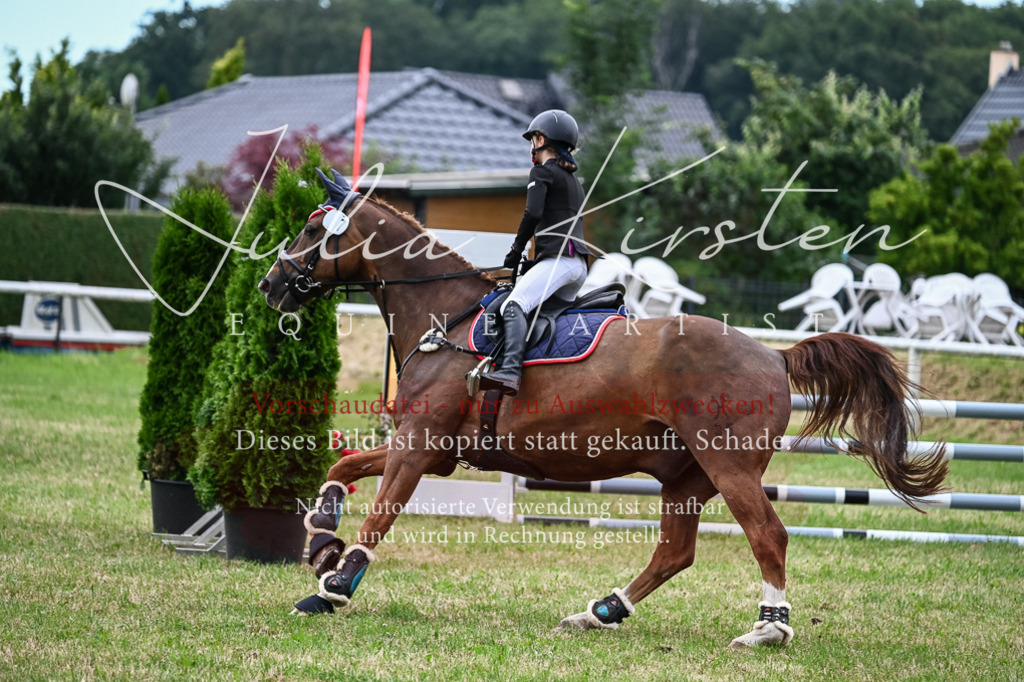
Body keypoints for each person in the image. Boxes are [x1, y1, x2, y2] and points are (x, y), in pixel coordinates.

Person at [480, 109, 592, 396]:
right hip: (578, 266)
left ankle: (510, 372)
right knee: (536, 313)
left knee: (512, 306)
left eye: (533, 139)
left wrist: (515, 250)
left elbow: (532, 213)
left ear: (541, 140)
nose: (531, 145)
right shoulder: (574, 182)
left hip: (560, 261)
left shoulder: (542, 172)